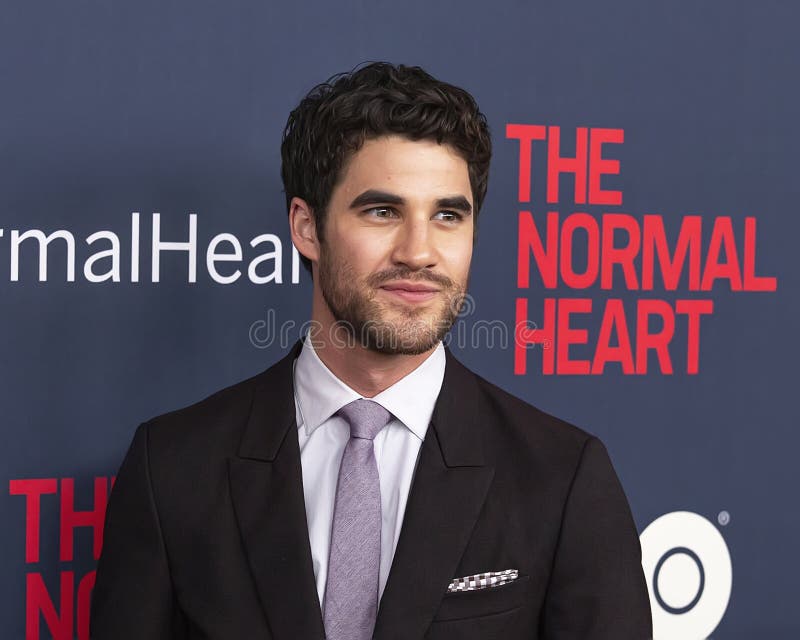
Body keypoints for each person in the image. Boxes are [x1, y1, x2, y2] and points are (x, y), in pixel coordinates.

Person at [90, 62, 652, 639]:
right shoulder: (174, 467)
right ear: (306, 227)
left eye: (448, 216)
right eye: (383, 211)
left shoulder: (562, 476)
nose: (419, 252)